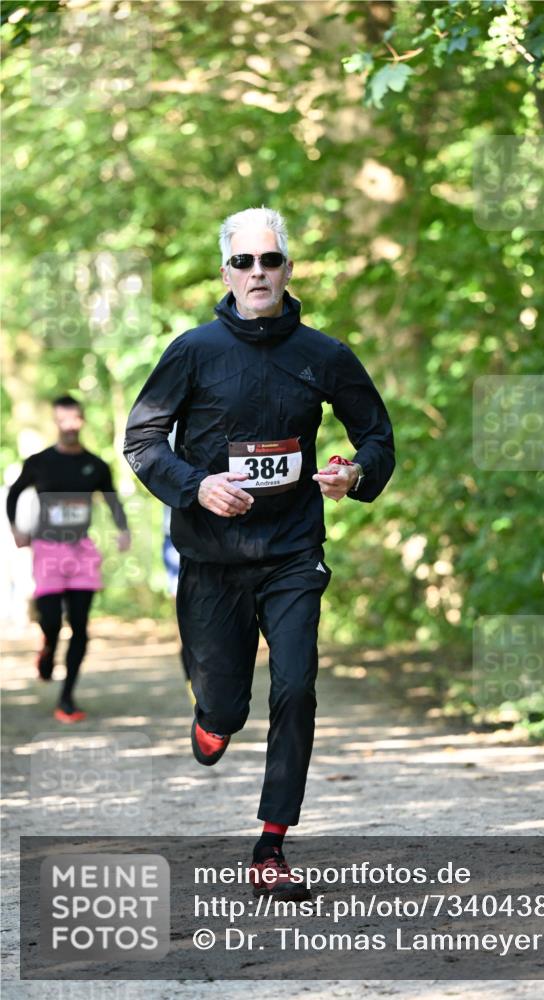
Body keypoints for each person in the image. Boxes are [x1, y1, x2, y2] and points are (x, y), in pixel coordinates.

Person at [123, 206, 394, 899]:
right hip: (212, 557)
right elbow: (142, 441)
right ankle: (212, 719)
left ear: (287, 269)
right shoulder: (193, 351)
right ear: (226, 273)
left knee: (296, 685)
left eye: (269, 260)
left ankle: (271, 844)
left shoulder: (324, 355)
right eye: (244, 262)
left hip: (293, 551)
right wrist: (196, 485)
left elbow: (376, 437)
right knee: (225, 706)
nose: (257, 273)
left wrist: (355, 473)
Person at [6, 395, 131, 722]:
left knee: (80, 626)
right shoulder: (39, 462)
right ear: (55, 422)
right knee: (50, 621)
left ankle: (67, 698)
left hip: (82, 551)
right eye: (62, 420)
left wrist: (123, 530)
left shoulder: (96, 465)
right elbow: (14, 493)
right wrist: (16, 528)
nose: (69, 425)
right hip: (47, 549)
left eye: (74, 418)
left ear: (82, 420)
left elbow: (112, 500)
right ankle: (47, 649)